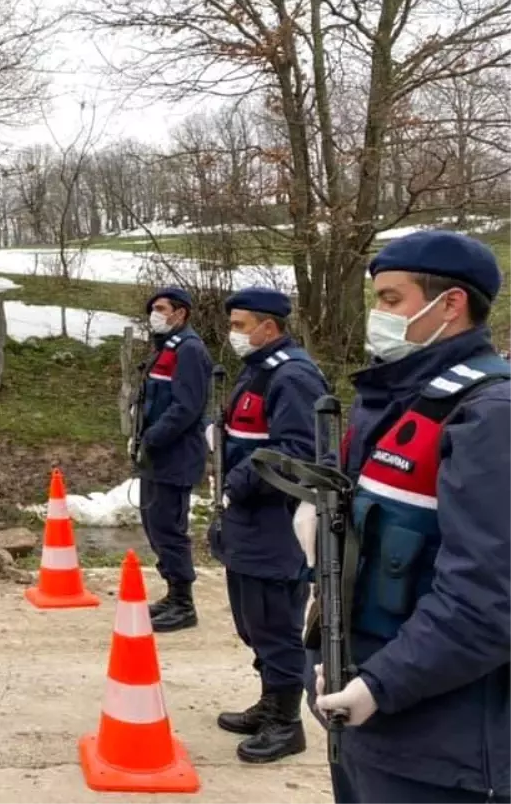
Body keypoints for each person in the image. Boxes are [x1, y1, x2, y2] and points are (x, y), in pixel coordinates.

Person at [309, 231, 511, 803]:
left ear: (451, 304)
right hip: (370, 724)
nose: (378, 315)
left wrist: (380, 684)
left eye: (392, 300)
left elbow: (490, 598)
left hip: (442, 750)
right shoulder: (398, 398)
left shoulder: (490, 417)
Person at [209, 286, 328, 764]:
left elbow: (296, 452)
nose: (233, 334)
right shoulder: (259, 370)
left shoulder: (293, 376)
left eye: (240, 326)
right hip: (247, 524)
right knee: (252, 624)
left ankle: (287, 722)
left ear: (269, 328)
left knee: (275, 624)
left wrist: (238, 480)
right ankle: (270, 701)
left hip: (274, 527)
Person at [130, 286, 212, 632]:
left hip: (175, 454)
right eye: (153, 309)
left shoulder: (190, 350)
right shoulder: (164, 349)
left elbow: (186, 407)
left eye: (162, 308)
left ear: (181, 314)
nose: (155, 315)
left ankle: (184, 602)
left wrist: (152, 438)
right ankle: (173, 592)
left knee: (169, 527)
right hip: (156, 454)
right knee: (155, 525)